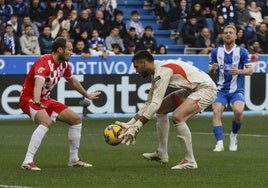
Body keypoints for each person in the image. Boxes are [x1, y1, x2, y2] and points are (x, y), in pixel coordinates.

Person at [115, 50, 217, 170]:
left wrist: (137, 127)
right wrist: (131, 123)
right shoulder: (156, 71)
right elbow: (149, 102)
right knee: (162, 110)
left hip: (206, 89)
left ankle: (190, 161)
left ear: (143, 63)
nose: (136, 71)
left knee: (178, 116)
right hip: (193, 89)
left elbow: (155, 103)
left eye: (136, 67)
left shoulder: (162, 71)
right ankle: (162, 153)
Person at [19, 37, 101, 170]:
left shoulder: (63, 65)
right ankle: (27, 161)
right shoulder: (44, 62)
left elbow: (73, 81)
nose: (71, 52)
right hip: (29, 98)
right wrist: (37, 100)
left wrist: (87, 95)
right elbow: (38, 82)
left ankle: (74, 160)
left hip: (45, 99)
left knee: (76, 120)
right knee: (46, 121)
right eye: (69, 50)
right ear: (60, 50)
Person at [209, 25, 253, 152]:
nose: (228, 34)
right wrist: (213, 69)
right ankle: (219, 143)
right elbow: (210, 70)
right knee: (217, 111)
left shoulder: (242, 52)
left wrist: (239, 71)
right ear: (223, 36)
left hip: (236, 90)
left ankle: (233, 135)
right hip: (220, 90)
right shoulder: (216, 52)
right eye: (225, 33)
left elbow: (250, 71)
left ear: (235, 36)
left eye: (230, 33)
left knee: (238, 111)